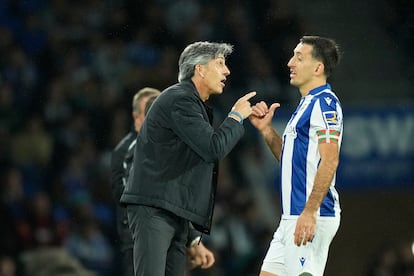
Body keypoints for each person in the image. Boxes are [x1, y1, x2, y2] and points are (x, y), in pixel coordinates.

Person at [120, 41, 256, 276]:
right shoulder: (180, 100)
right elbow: (214, 148)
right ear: (199, 69)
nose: (227, 71)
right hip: (155, 210)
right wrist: (235, 116)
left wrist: (193, 239)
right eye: (220, 64)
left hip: (173, 213)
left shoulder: (190, 103)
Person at [249, 36, 343, 276]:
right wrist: (267, 131)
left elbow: (330, 159)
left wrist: (310, 211)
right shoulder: (305, 105)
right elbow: (290, 162)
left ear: (318, 68)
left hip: (310, 213)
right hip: (291, 216)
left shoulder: (325, 104)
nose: (290, 62)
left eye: (299, 57)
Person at [111, 87, 215, 276]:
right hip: (139, 239)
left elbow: (173, 199)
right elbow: (134, 199)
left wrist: (192, 240)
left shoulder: (167, 149)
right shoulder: (126, 151)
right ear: (137, 117)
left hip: (170, 234)